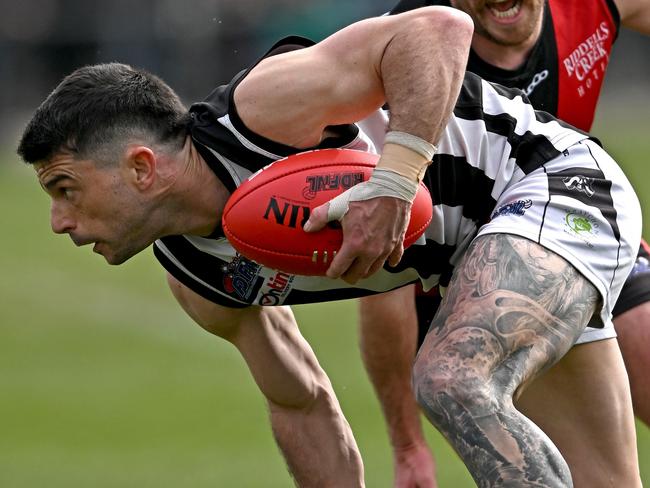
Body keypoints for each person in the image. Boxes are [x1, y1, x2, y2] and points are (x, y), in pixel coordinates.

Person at [17, 6, 642, 487]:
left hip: (556, 183)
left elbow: (442, 28)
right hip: (481, 256)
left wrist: (396, 181)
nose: (57, 221)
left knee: (450, 378)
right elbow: (303, 404)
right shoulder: (196, 278)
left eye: (66, 188)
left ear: (142, 168)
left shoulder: (263, 112)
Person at [358, 0, 650, 485]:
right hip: (472, 280)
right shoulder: (407, 51)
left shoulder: (591, 6)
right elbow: (383, 278)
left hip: (580, 220)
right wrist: (407, 443)